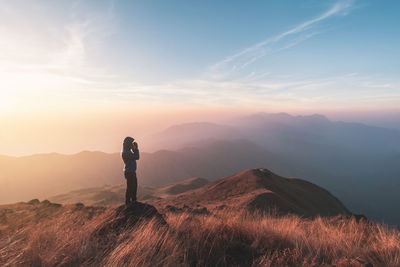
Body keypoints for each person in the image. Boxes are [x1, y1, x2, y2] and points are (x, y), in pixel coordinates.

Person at [122, 136, 140, 205]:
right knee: (131, 187)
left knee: (133, 186)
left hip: (130, 171)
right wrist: (136, 149)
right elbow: (137, 157)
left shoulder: (127, 151)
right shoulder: (126, 153)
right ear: (128, 144)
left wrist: (134, 149)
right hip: (130, 172)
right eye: (131, 143)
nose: (132, 145)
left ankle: (132, 201)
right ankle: (129, 202)